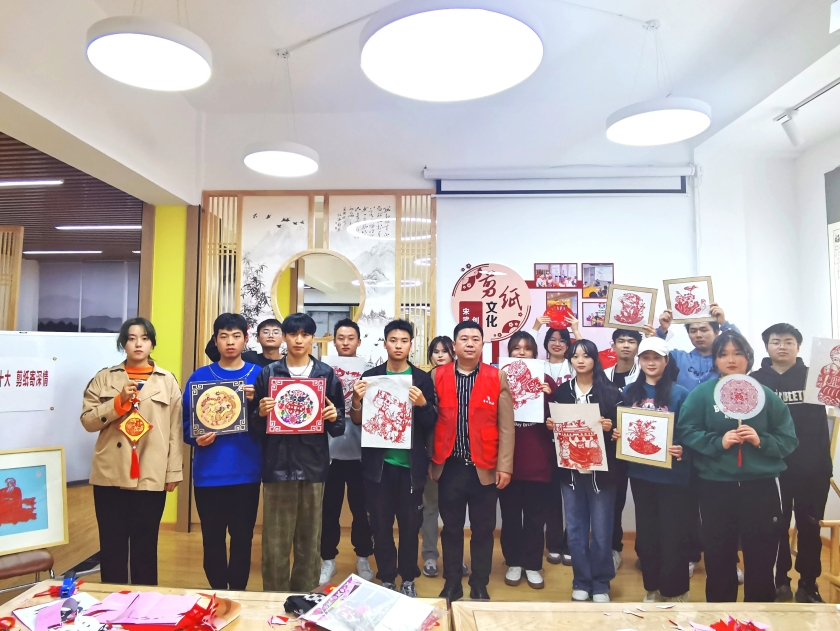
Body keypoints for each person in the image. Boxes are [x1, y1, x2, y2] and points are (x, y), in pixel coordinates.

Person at [678, 330, 798, 603]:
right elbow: (686, 430)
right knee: (718, 554)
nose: (731, 360)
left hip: (760, 486)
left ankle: (759, 613)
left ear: (749, 357)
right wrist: (717, 442)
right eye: (723, 354)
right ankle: (720, 613)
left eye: (737, 353)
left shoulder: (766, 395)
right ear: (715, 360)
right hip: (715, 485)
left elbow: (789, 439)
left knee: (761, 555)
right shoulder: (702, 394)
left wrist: (761, 440)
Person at [80, 317, 182, 585]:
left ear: (152, 344)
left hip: (151, 472)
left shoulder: (167, 380)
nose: (138, 344)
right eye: (132, 338)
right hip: (110, 473)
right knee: (111, 544)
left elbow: (175, 430)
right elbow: (88, 421)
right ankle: (111, 601)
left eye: (145, 338)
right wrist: (118, 402)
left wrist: (173, 471)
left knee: (145, 546)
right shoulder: (104, 378)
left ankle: (144, 602)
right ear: (123, 343)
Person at [251, 313, 345, 592]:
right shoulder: (269, 373)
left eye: (305, 334)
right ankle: (274, 598)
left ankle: (304, 598)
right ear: (285, 337)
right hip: (277, 466)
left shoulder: (325, 374)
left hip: (313, 466)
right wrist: (260, 413)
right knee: (275, 542)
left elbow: (338, 425)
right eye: (293, 334)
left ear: (312, 338)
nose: (299, 340)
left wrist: (333, 417)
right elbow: (255, 426)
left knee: (309, 540)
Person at [350, 319, 437, 597]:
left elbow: (431, 423)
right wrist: (355, 401)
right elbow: (357, 420)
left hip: (411, 467)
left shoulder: (422, 379)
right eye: (393, 340)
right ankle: (387, 577)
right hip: (378, 468)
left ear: (411, 345)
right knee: (380, 525)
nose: (398, 346)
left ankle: (408, 578)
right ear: (385, 343)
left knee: (410, 527)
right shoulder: (371, 377)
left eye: (404, 341)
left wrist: (422, 405)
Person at [432, 321, 514, 603]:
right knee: (451, 529)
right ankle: (452, 583)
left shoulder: (496, 376)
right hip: (450, 467)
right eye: (464, 338)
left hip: (485, 468)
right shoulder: (437, 375)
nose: (469, 343)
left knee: (483, 530)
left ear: (482, 344)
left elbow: (506, 427)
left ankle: (480, 584)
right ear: (454, 345)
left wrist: (505, 466)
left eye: (475, 339)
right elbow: (429, 422)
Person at [752, 323, 831, 604]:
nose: (782, 346)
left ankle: (808, 584)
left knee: (810, 527)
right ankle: (780, 582)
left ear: (798, 346)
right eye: (776, 342)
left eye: (788, 341)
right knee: (776, 527)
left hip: (814, 467)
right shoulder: (755, 380)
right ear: (767, 346)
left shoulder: (817, 377)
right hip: (772, 468)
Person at [182, 313, 261, 591]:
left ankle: (238, 592)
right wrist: (195, 437)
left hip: (246, 472)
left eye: (236, 336)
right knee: (212, 538)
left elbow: (270, 424)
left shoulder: (258, 375)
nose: (230, 342)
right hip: (209, 474)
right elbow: (186, 423)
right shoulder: (200, 377)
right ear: (215, 340)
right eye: (224, 336)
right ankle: (217, 591)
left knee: (243, 538)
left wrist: (255, 403)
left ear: (245, 339)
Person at [547, 339, 622, 603]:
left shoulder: (611, 392)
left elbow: (621, 434)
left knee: (601, 531)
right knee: (576, 530)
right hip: (570, 473)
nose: (580, 360)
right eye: (575, 356)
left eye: (586, 356)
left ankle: (601, 583)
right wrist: (552, 426)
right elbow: (557, 433)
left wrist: (610, 429)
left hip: (602, 475)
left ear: (594, 360)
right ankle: (581, 580)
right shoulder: (562, 392)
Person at [620, 337, 692, 602]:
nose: (651, 362)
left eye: (656, 358)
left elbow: (689, 433)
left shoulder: (681, 393)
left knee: (673, 535)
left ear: (666, 361)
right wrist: (618, 434)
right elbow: (623, 427)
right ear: (639, 361)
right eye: (646, 357)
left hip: (672, 477)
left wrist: (683, 449)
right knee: (648, 536)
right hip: (641, 475)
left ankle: (675, 591)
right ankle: (652, 588)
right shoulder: (629, 392)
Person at [320, 319, 375, 585]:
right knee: (328, 510)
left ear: (359, 342)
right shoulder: (322, 372)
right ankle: (327, 559)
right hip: (329, 454)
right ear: (334, 342)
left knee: (362, 511)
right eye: (340, 338)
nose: (345, 342)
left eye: (350, 338)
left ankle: (363, 556)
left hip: (361, 454)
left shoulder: (371, 373)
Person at [499, 331, 554, 590]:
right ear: (509, 352)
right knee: (510, 517)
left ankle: (532, 564)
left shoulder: (546, 381)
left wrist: (548, 397)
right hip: (508, 463)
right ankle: (513, 561)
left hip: (538, 463)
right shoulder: (498, 379)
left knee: (535, 517)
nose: (521, 352)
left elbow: (555, 424)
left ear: (535, 353)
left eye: (527, 348)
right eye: (516, 348)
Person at [421, 336, 470, 579]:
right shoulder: (424, 380)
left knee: (454, 511)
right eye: (435, 351)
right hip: (432, 454)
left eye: (444, 351)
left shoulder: (464, 378)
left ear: (453, 353)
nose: (440, 355)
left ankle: (455, 557)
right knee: (430, 507)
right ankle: (430, 555)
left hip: (456, 455)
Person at [603, 328, 642, 572]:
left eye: (631, 341)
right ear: (614, 345)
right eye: (621, 341)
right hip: (612, 446)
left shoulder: (645, 374)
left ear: (638, 347)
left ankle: (646, 552)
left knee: (644, 502)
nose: (626, 345)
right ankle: (613, 549)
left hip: (639, 448)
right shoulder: (604, 375)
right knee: (614, 500)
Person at [539, 324, 576, 566]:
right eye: (552, 339)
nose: (557, 344)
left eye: (562, 340)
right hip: (546, 436)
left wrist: (577, 331)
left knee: (573, 495)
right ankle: (553, 543)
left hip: (573, 435)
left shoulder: (575, 366)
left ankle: (571, 542)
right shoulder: (538, 367)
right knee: (551, 495)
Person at [655, 303, 740, 392]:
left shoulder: (725, 360)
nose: (698, 335)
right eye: (693, 331)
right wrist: (662, 330)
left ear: (716, 332)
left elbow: (742, 348)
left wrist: (724, 323)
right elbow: (653, 355)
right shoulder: (678, 357)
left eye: (704, 330)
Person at [204, 317, 284, 367]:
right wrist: (231, 327)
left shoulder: (288, 361)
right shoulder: (249, 358)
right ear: (258, 338)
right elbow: (211, 351)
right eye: (266, 332)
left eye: (276, 332)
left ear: (283, 338)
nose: (271, 335)